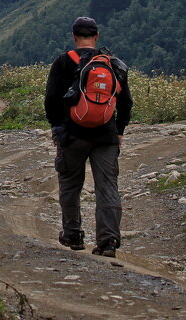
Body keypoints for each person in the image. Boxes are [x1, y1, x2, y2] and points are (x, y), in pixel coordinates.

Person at [44, 16, 132, 257]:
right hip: (105, 135)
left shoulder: (63, 62)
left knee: (71, 184)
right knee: (107, 187)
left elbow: (51, 100)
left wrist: (56, 128)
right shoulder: (112, 64)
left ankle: (73, 235)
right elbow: (125, 102)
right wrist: (120, 130)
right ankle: (109, 241)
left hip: (72, 135)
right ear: (97, 36)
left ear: (74, 37)